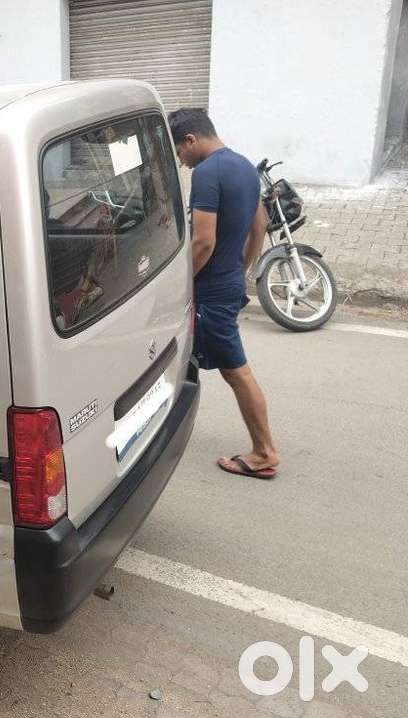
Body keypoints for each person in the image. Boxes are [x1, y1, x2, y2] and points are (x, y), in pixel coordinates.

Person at [168, 108, 279, 480]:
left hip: (212, 292)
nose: (182, 163)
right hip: (228, 281)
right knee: (182, 358)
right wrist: (241, 268)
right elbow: (259, 225)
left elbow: (202, 241)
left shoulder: (207, 172)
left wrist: (180, 284)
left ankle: (264, 452)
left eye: (180, 153)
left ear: (190, 140)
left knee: (236, 372)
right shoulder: (245, 166)